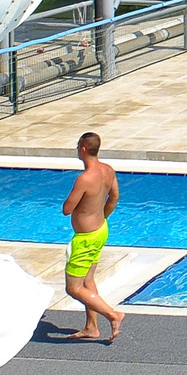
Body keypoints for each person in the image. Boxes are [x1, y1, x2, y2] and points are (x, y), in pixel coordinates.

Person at [61, 131, 124, 341]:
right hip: (100, 231)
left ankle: (112, 315)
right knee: (88, 280)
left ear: (83, 149)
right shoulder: (108, 170)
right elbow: (114, 197)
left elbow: (67, 209)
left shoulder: (84, 178)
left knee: (73, 287)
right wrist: (101, 216)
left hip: (86, 238)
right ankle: (91, 327)